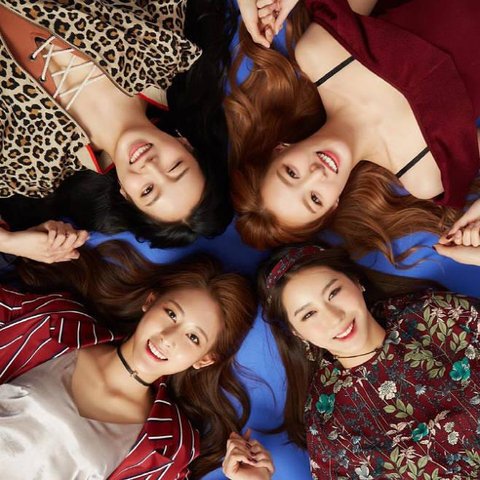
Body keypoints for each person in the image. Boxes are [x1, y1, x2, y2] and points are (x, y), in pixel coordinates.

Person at [228, 0, 480, 262]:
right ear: (333, 206)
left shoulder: (319, 54)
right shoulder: (424, 176)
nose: (316, 173)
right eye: (315, 199)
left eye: (291, 173)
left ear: (281, 149)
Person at [1, 240, 264, 479]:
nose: (168, 338)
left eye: (193, 337)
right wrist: (11, 242)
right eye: (172, 314)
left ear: (204, 360)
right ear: (150, 301)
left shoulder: (167, 448)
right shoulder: (57, 322)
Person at [0, 0, 235, 254]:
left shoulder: (36, 166)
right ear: (185, 144)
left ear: (125, 195)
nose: (150, 166)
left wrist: (9, 243)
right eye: (175, 166)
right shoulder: (160, 50)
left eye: (147, 190)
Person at [258, 244, 480, 479]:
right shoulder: (328, 424)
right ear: (297, 333)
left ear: (356, 282)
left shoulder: (434, 315)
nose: (334, 318)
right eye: (309, 314)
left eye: (333, 293)